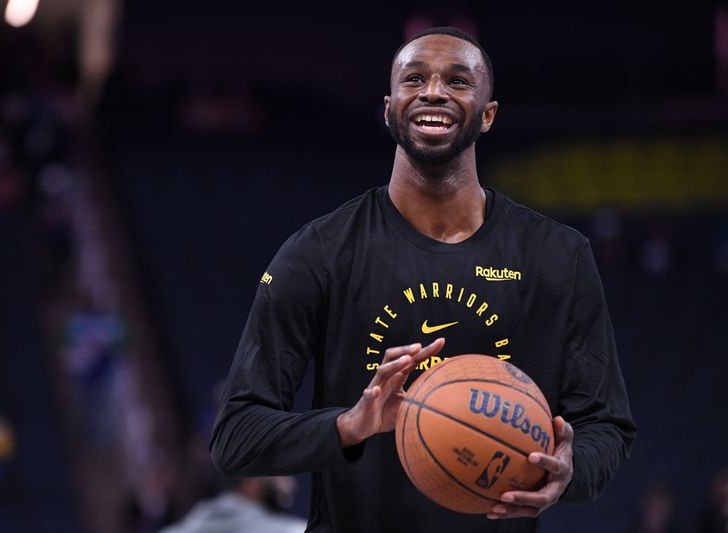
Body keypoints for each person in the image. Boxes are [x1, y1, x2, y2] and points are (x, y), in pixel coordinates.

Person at [210, 26, 637, 532]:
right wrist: (351, 425)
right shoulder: (319, 252)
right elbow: (235, 437)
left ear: (488, 114)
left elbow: (606, 426)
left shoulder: (558, 257)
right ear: (390, 108)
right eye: (415, 79)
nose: (433, 91)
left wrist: (571, 472)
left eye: (457, 81)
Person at [159, 476, 306, 533]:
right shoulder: (292, 530)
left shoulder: (197, 517)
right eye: (281, 473)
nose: (291, 484)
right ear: (251, 482)